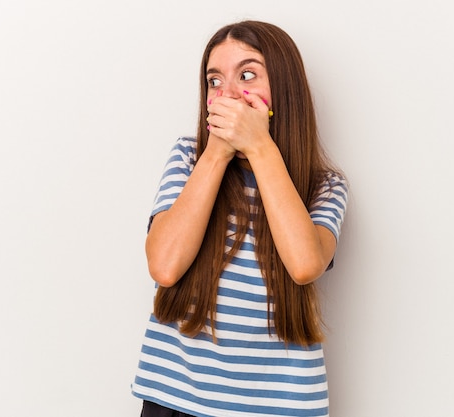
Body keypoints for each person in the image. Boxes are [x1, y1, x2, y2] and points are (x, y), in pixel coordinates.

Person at [131, 20, 348, 417]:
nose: (227, 94)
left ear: (282, 92)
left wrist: (259, 146)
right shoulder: (188, 159)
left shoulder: (324, 187)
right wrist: (216, 153)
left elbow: (304, 265)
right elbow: (164, 265)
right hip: (176, 397)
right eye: (215, 82)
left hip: (279, 407)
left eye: (247, 75)